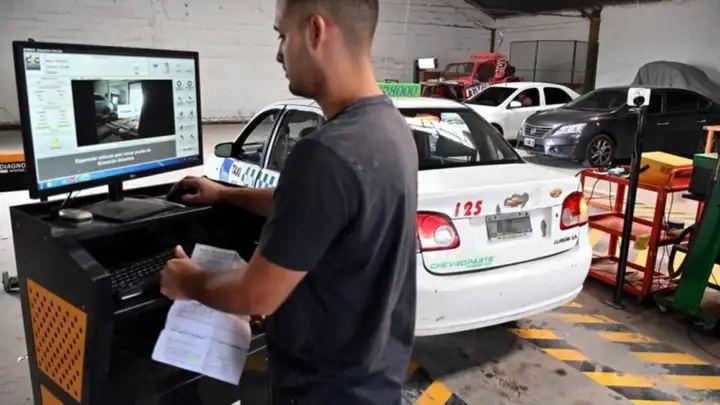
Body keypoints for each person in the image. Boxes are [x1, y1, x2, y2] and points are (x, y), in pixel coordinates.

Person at [159, 0, 419, 403]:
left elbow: (256, 295)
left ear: (316, 31)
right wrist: (224, 194)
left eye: (282, 36)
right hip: (375, 380)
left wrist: (188, 281)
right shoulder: (388, 128)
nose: (278, 54)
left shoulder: (325, 153)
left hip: (322, 392)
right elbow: (318, 208)